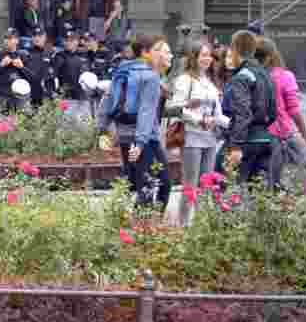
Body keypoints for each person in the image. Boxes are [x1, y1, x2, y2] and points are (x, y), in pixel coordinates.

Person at [99, 34, 172, 210]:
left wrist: (102, 130)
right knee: (157, 185)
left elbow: (107, 101)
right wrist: (139, 143)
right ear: (146, 53)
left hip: (125, 135)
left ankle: (130, 221)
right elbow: (146, 112)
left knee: (138, 184)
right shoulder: (150, 76)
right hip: (144, 139)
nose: (169, 55)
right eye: (162, 51)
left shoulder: (124, 69)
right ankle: (147, 229)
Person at [165, 42, 223, 226]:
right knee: (190, 184)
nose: (207, 59)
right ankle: (184, 224)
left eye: (209, 55)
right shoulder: (184, 80)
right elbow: (177, 108)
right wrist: (199, 120)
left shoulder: (210, 81)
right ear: (194, 58)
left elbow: (217, 111)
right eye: (203, 55)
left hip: (210, 137)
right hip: (191, 136)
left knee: (207, 183)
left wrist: (226, 123)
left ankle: (203, 224)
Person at [222, 30, 279, 198]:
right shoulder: (264, 73)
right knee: (259, 195)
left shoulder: (241, 77)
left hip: (246, 142)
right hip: (265, 139)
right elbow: (273, 111)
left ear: (235, 49)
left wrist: (236, 145)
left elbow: (242, 113)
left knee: (229, 192)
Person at [257, 38, 306, 193]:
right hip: (280, 137)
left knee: (261, 186)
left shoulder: (249, 76)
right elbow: (294, 111)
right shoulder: (284, 76)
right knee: (294, 185)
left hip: (255, 138)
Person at [0, 28, 32, 115]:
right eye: (6, 38)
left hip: (19, 99)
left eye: (11, 38)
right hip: (1, 96)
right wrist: (0, 65)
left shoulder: (23, 55)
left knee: (21, 126)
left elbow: (33, 78)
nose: (8, 41)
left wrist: (22, 67)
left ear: (17, 40)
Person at [53, 29, 90, 120]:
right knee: (63, 128)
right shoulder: (58, 56)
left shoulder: (85, 56)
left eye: (72, 40)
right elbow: (53, 77)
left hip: (82, 98)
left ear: (77, 42)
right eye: (67, 40)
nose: (68, 43)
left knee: (82, 128)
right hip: (65, 98)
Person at [23, 27, 54, 109]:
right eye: (34, 36)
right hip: (30, 96)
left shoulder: (52, 53)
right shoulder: (26, 53)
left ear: (45, 37)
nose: (37, 38)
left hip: (47, 96)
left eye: (40, 36)